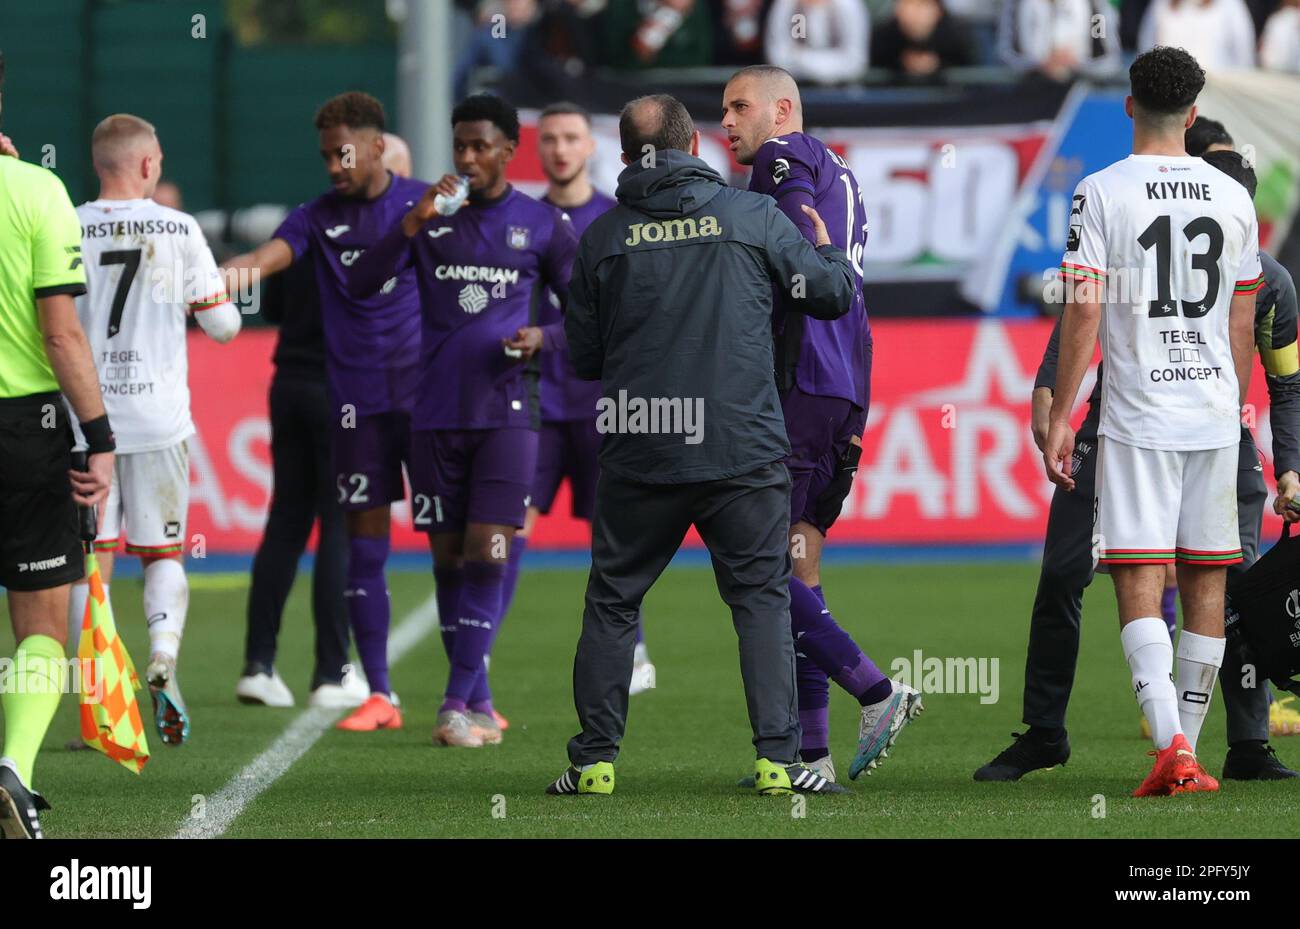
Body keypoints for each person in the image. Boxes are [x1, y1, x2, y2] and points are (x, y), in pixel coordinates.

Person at [545, 93, 857, 797]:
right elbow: (832, 294)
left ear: (625, 158)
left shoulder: (600, 238)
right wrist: (826, 245)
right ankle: (779, 760)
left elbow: (584, 357)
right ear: (694, 145)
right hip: (740, 445)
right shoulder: (754, 216)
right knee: (761, 599)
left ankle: (594, 762)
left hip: (641, 448)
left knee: (614, 600)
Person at [976, 146, 1300, 783]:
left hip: (1211, 435)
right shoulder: (1145, 232)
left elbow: (1285, 384)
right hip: (1120, 425)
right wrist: (1055, 397)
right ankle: (1047, 734)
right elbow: (1080, 316)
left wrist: (1287, 463)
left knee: (1230, 581)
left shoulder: (1271, 283)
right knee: (1069, 570)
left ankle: (1245, 743)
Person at [1042, 47, 1262, 796]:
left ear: (1129, 105)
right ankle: (1187, 750)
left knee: (1139, 574)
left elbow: (1083, 308)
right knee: (1207, 577)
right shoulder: (1231, 196)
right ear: (1193, 114)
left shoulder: (1101, 191)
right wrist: (1234, 406)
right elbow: (1242, 320)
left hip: (1139, 413)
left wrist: (1064, 412)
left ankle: (1172, 743)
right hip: (1213, 411)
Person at [350, 94, 577, 749]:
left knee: (489, 549)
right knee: (448, 560)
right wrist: (414, 221)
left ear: (510, 149)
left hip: (508, 415)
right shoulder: (426, 218)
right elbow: (361, 284)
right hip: (433, 414)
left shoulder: (542, 225)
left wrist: (544, 337)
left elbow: (589, 311)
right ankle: (478, 702)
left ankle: (453, 703)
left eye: (482, 146)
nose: (469, 159)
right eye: (461, 147)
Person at [722, 65, 923, 785]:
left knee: (757, 564)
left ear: (782, 110)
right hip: (842, 381)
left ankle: (877, 689)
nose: (727, 122)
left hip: (797, 378)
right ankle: (812, 755)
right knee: (797, 561)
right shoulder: (846, 174)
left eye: (739, 106)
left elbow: (795, 231)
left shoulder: (783, 156)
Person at [223, 92, 427, 732]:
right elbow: (261, 265)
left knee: (291, 519)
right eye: (326, 155)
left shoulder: (411, 209)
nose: (335, 166)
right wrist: (216, 279)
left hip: (344, 389)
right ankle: (336, 672)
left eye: (343, 153)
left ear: (375, 148)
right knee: (344, 529)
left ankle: (261, 662)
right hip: (345, 398)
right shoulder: (318, 219)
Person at [68, 115, 242, 747]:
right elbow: (223, 327)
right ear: (147, 165)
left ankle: (99, 702)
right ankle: (163, 652)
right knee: (165, 552)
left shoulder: (68, 223)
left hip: (87, 422)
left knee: (92, 559)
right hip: (159, 420)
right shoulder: (178, 229)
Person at [503, 102, 659, 699]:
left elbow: (627, 316)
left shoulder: (616, 219)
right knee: (510, 526)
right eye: (548, 139)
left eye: (570, 137)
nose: (559, 149)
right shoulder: (520, 219)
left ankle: (635, 648)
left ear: (590, 147)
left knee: (613, 532)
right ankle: (478, 657)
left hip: (602, 404)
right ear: (536, 148)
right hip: (535, 402)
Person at [0, 50, 115, 837]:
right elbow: (62, 332)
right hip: (24, 427)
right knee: (40, 623)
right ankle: (14, 768)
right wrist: (99, 437)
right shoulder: (39, 189)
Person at [998, 0, 1121, 80]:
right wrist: (1040, 64)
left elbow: (1109, 60)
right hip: (1029, 92)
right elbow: (1005, 54)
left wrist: (1076, 63)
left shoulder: (1094, 4)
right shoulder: (1015, 3)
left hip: (1079, 91)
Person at [763, 0, 869, 85]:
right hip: (793, 88)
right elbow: (777, 58)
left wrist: (801, 57)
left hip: (842, 90)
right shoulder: (786, 4)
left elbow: (856, 63)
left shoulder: (849, 5)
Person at [1138, 0, 1257, 70]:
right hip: (1169, 93)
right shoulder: (1160, 4)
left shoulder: (1231, 4)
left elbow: (1243, 53)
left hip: (1217, 94)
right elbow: (1146, 47)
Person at [870, 0, 978, 78]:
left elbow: (972, 74)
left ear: (938, 10)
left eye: (922, 5)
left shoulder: (956, 35)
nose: (914, 12)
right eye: (908, 3)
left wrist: (938, 66)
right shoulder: (883, 36)